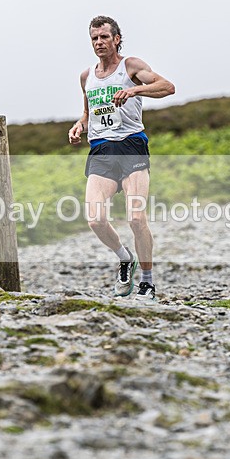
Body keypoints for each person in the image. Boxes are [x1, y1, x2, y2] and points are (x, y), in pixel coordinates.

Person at [68, 16, 175, 299]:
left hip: (131, 147)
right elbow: (89, 111)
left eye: (104, 37)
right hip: (102, 150)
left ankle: (148, 282)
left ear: (116, 39)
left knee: (137, 219)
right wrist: (80, 124)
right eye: (94, 38)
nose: (99, 43)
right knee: (95, 219)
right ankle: (124, 257)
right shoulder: (86, 76)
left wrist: (135, 89)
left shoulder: (131, 67)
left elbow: (168, 87)